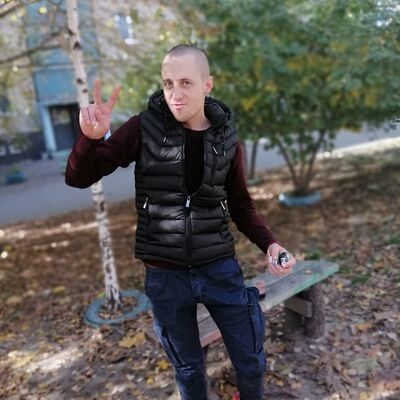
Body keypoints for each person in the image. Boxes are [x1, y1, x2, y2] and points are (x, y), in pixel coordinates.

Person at [66, 44, 296, 400]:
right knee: (187, 368)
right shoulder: (143, 128)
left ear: (207, 85)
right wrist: (90, 140)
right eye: (168, 83)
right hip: (165, 278)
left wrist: (270, 243)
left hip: (219, 269)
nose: (175, 93)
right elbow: (78, 177)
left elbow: (240, 205)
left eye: (186, 82)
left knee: (251, 360)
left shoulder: (226, 139)